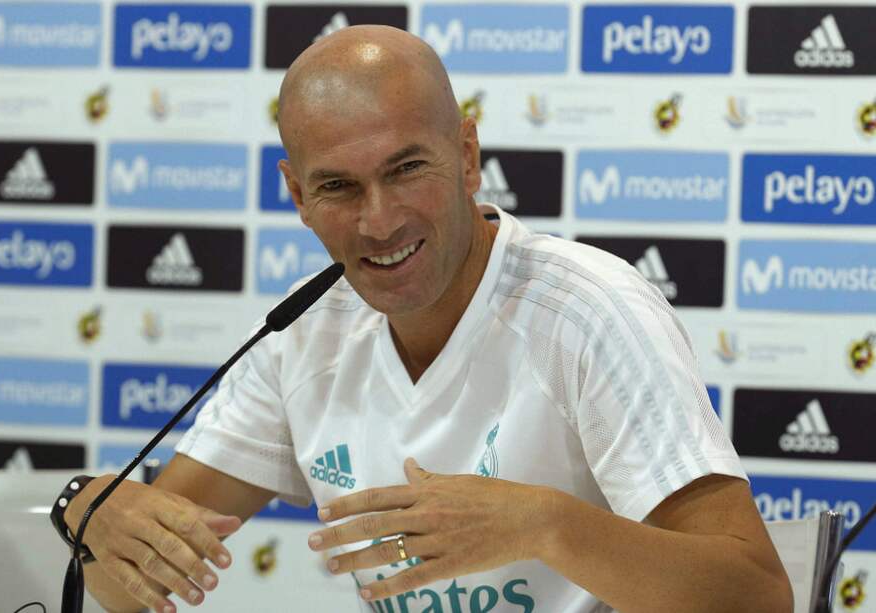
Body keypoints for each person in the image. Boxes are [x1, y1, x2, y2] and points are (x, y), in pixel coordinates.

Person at [62, 25, 793, 613]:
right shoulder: (303, 329)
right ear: (297, 195)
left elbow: (758, 596)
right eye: (339, 186)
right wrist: (92, 515)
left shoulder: (590, 309)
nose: (379, 221)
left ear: (467, 156)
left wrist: (545, 525)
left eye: (407, 169)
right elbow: (135, 583)